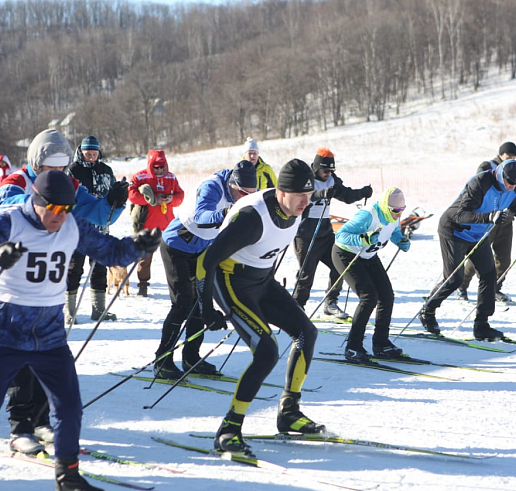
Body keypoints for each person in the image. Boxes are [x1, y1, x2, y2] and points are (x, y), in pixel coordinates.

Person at [0, 170, 161, 491]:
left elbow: (111, 252)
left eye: (66, 210)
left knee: (68, 406)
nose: (59, 217)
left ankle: (68, 477)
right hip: (7, 331)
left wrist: (138, 245)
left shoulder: (72, 224)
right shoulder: (10, 223)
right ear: (37, 201)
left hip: (49, 333)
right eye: (54, 209)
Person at [0, 129, 129, 456]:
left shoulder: (69, 184)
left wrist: (114, 202)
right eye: (49, 170)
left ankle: (41, 420)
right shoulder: (17, 180)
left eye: (61, 169)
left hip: (47, 284)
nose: (56, 177)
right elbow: (4, 203)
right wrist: (43, 201)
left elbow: (96, 213)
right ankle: (20, 426)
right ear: (36, 164)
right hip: (14, 281)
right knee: (22, 358)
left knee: (47, 356)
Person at [198, 159, 325, 456]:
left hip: (262, 280)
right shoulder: (253, 217)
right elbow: (207, 261)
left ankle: (289, 413)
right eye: (299, 196)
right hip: (231, 281)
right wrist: (206, 308)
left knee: (307, 332)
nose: (305, 203)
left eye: (309, 195)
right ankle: (229, 429)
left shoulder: (295, 208)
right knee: (267, 350)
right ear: (281, 191)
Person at [420, 160, 516, 341]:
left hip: (478, 235)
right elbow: (461, 214)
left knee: (489, 275)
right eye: (509, 182)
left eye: (515, 184)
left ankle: (482, 325)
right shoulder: (480, 182)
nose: (510, 187)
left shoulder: (511, 188)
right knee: (454, 278)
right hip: (454, 231)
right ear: (500, 175)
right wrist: (490, 216)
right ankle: (428, 311)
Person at [155, 160, 257, 379]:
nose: (246, 199)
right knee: (182, 305)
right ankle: (162, 359)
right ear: (233, 185)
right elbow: (202, 218)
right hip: (176, 246)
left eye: (251, 194)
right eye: (244, 194)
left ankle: (191, 357)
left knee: (201, 304)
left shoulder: (239, 192)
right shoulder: (213, 187)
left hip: (201, 251)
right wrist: (226, 213)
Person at [458, 142, 516, 303]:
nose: (511, 159)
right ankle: (462, 286)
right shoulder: (487, 166)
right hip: (488, 220)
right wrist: (488, 215)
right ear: (501, 154)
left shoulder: (514, 169)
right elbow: (481, 191)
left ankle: (494, 289)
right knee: (477, 257)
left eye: (514, 157)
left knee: (503, 258)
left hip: (507, 220)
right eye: (509, 156)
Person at [292, 148, 372, 319]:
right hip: (306, 234)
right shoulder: (307, 179)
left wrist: (362, 192)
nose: (328, 174)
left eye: (331, 171)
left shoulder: (332, 180)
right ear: (316, 168)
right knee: (307, 274)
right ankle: (297, 306)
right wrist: (321, 194)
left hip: (325, 232)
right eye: (325, 170)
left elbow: (347, 196)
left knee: (339, 265)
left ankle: (331, 302)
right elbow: (304, 195)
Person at [332, 187, 410, 361]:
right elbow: (340, 235)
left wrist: (400, 240)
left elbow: (394, 231)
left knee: (387, 295)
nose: (398, 214)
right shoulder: (369, 215)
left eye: (402, 210)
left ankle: (381, 343)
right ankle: (353, 346)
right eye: (395, 210)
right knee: (369, 297)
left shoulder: (393, 216)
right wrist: (362, 239)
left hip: (368, 255)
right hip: (346, 254)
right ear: (385, 206)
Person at [65, 136, 120, 323]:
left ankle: (99, 309)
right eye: (88, 154)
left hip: (101, 227)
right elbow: (66, 195)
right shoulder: (72, 170)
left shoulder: (106, 170)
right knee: (74, 268)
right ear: (81, 152)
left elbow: (112, 192)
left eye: (94, 154)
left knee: (99, 268)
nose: (91, 157)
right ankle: (69, 311)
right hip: (79, 227)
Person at [128, 150, 184, 297]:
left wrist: (170, 199)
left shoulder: (171, 177)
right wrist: (152, 199)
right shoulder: (140, 176)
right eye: (156, 167)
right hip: (147, 225)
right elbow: (132, 195)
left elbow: (180, 196)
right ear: (150, 165)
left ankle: (177, 286)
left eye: (161, 167)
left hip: (168, 225)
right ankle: (143, 285)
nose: (159, 170)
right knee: (144, 258)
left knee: (173, 258)